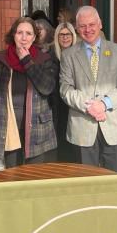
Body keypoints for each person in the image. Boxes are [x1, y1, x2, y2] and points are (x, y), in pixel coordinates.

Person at [60, 6, 117, 173]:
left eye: (92, 24)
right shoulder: (68, 55)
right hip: (83, 128)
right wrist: (89, 107)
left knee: (115, 180)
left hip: (115, 127)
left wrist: (104, 104)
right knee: (87, 182)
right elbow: (65, 89)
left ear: (100, 24)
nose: (88, 29)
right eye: (83, 26)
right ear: (77, 28)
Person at [0, 17, 57, 167]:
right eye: (19, 32)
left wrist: (27, 60)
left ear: (34, 37)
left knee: (34, 177)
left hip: (37, 128)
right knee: (12, 175)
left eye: (28, 33)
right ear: (13, 35)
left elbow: (47, 88)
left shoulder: (44, 58)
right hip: (9, 126)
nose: (23, 37)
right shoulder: (0, 58)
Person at [52, 22, 79, 162]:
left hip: (75, 102)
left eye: (68, 34)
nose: (65, 38)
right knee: (60, 137)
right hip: (56, 104)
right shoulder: (51, 56)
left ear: (73, 36)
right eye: (61, 35)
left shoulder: (80, 55)